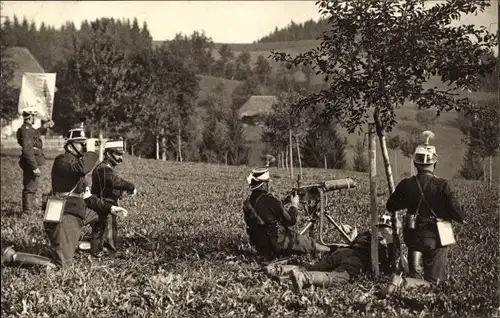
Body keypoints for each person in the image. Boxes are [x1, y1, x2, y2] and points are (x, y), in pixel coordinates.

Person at [386, 131, 465, 284]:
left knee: (414, 276)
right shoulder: (442, 185)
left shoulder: (406, 184)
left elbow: (391, 205)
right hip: (437, 238)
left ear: (415, 163)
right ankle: (408, 286)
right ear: (435, 163)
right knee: (434, 281)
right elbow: (458, 213)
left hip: (413, 235)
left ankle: (407, 285)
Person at [43, 125, 128, 268]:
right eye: (80, 143)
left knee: (102, 213)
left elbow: (88, 198)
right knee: (63, 266)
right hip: (65, 214)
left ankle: (96, 249)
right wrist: (91, 151)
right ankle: (14, 256)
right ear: (69, 147)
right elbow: (83, 168)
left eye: (85, 143)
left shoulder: (77, 167)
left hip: (78, 210)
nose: (83, 146)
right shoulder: (62, 160)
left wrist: (110, 208)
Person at [264, 214, 402, 292]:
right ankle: (304, 279)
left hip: (344, 251)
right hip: (356, 260)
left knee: (312, 267)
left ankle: (276, 269)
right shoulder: (391, 241)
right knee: (335, 277)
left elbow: (354, 242)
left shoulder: (367, 233)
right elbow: (395, 265)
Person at [242, 167, 331, 260]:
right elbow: (291, 221)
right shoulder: (270, 201)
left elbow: (266, 215)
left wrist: (283, 203)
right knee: (309, 243)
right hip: (276, 243)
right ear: (264, 184)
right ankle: (330, 250)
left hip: (260, 245)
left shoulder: (248, 202)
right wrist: (294, 205)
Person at [89, 139, 136, 257]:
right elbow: (116, 181)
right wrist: (131, 187)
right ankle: (108, 251)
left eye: (121, 155)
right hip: (103, 204)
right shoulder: (103, 169)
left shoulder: (105, 168)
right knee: (106, 226)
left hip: (103, 203)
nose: (121, 158)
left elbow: (110, 186)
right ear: (108, 154)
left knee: (102, 228)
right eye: (118, 154)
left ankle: (99, 251)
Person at [16, 110, 54, 215]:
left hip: (31, 162)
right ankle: (27, 213)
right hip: (31, 163)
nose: (35, 119)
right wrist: (34, 167)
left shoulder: (28, 129)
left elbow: (36, 133)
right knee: (30, 188)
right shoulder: (26, 130)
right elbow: (27, 150)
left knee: (30, 186)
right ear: (30, 118)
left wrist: (45, 126)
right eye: (34, 117)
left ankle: (27, 212)